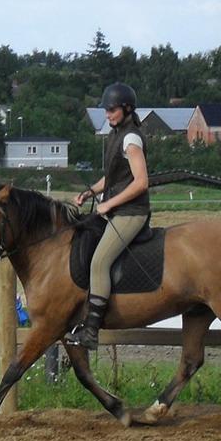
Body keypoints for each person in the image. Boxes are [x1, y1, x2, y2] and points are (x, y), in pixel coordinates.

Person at [65, 82, 150, 349]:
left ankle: (90, 332)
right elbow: (114, 177)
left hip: (131, 213)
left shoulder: (131, 138)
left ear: (126, 109)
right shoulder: (115, 134)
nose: (107, 114)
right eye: (105, 110)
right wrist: (90, 193)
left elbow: (140, 182)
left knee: (99, 262)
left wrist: (108, 203)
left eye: (111, 110)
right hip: (117, 209)